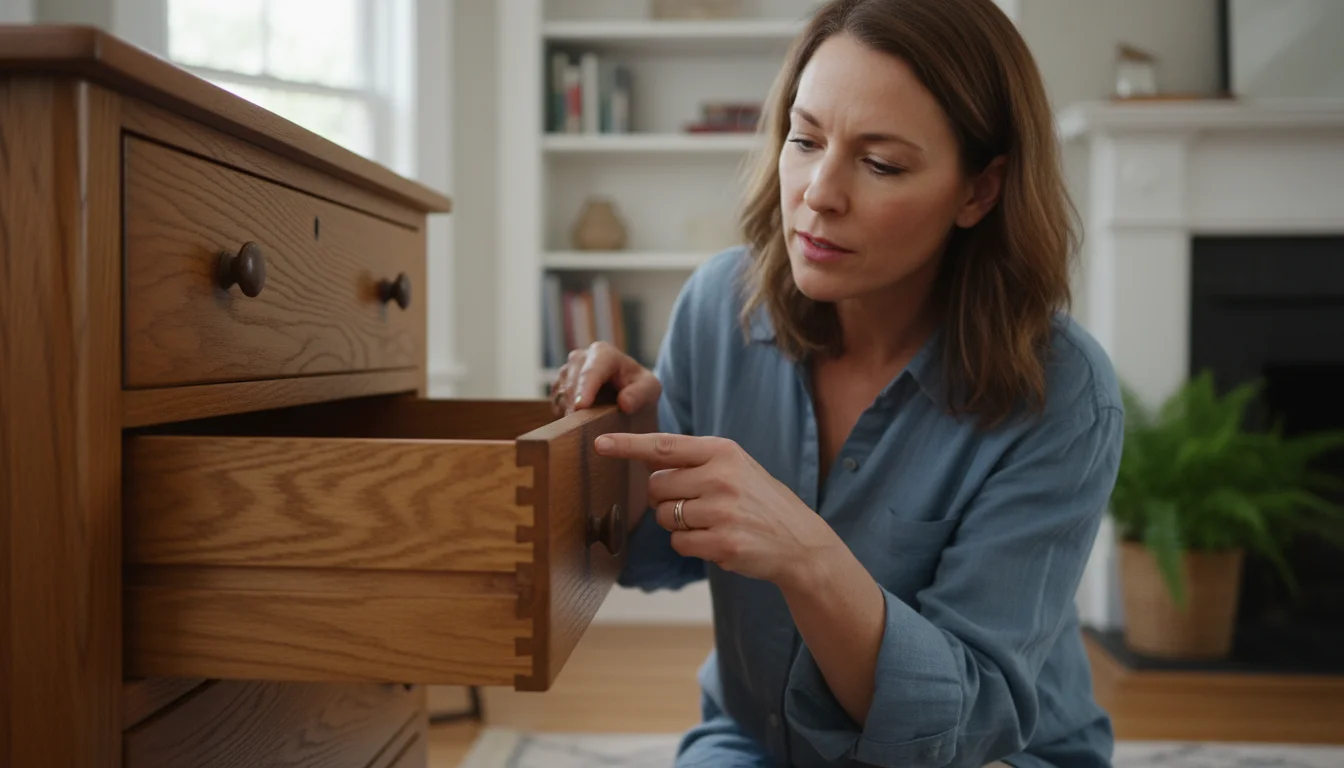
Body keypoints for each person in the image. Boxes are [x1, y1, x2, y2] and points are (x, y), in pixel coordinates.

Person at [548, 0, 1123, 765]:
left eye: (880, 163)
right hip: (758, 738)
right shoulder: (719, 307)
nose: (819, 192)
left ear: (979, 191)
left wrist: (807, 556)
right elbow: (659, 557)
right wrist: (635, 452)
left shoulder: (1061, 391)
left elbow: (970, 718)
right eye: (805, 138)